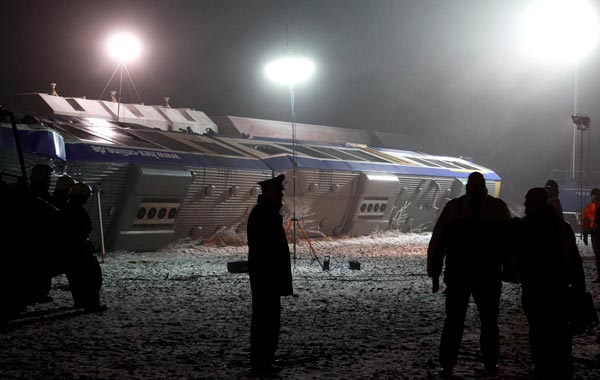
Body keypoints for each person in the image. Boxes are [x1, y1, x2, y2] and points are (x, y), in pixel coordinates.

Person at [427, 172, 511, 378]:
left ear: (467, 187)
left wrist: (435, 273)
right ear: (485, 187)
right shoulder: (498, 209)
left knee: (453, 321)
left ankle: (447, 364)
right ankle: (491, 364)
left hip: (458, 274)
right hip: (488, 274)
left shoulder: (454, 209)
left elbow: (438, 242)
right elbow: (509, 243)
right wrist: (509, 269)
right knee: (490, 321)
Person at [515, 188, 585, 380]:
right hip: (558, 288)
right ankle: (561, 365)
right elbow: (574, 261)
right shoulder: (561, 226)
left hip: (533, 287)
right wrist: (579, 288)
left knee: (537, 329)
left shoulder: (523, 226)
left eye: (528, 201)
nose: (525, 204)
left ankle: (541, 365)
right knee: (560, 329)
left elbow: (515, 257)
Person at [247, 174, 293, 375]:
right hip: (267, 276)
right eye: (279, 191)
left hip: (267, 276)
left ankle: (265, 358)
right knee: (265, 321)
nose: (282, 195)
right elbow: (266, 249)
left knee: (268, 320)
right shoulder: (264, 215)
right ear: (269, 192)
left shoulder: (265, 213)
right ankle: (261, 361)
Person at [62, 182, 106, 312]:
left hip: (68, 250)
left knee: (75, 277)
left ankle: (79, 301)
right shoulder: (79, 212)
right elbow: (85, 230)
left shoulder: (65, 209)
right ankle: (92, 304)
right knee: (93, 276)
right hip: (81, 249)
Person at [583, 188, 600, 283]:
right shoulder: (589, 207)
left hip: (596, 233)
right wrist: (585, 234)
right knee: (597, 256)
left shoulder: (591, 207)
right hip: (595, 234)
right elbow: (586, 221)